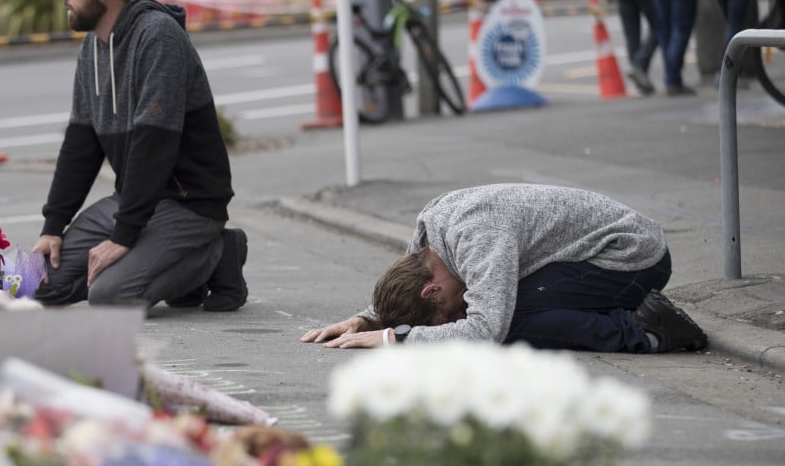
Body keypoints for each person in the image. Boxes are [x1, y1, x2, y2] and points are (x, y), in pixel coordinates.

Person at [32, 0, 248, 312]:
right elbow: (80, 147)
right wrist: (53, 225)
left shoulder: (158, 38)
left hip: (189, 203)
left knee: (112, 296)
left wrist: (124, 235)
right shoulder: (92, 49)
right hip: (136, 197)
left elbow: (155, 145)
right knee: (38, 285)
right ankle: (178, 274)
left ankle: (218, 252)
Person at [300, 183, 707, 353]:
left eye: (444, 315)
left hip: (632, 258)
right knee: (504, 302)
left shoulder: (477, 237)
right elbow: (403, 295)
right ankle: (622, 315)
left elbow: (484, 330)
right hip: (594, 253)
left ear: (432, 291)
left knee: (507, 319)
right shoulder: (429, 241)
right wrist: (366, 320)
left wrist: (397, 339)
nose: (452, 318)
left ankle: (646, 332)